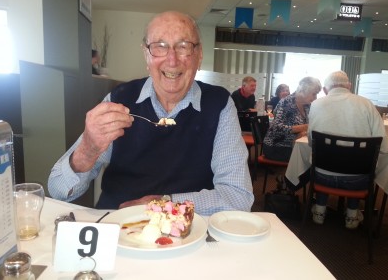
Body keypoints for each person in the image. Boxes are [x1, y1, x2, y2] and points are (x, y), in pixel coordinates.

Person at [48, 11, 254, 216]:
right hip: (119, 230)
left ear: (199, 55)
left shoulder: (219, 104)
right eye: (159, 47)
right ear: (146, 55)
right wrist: (88, 148)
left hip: (188, 235)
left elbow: (238, 197)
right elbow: (58, 190)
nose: (172, 60)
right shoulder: (119, 100)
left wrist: (163, 204)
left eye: (183, 46)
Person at [307, 70, 388, 229]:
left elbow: (312, 143)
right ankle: (352, 214)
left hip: (322, 176)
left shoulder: (316, 104)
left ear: (325, 90)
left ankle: (319, 210)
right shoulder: (366, 104)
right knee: (358, 166)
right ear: (350, 86)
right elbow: (384, 147)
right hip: (357, 181)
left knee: (324, 162)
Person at [262, 77, 321, 163]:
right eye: (314, 94)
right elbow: (277, 128)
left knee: (315, 154)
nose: (316, 98)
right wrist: (304, 127)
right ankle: (291, 176)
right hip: (276, 147)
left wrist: (303, 131)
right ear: (304, 90)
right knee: (310, 158)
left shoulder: (307, 105)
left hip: (294, 145)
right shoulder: (286, 102)